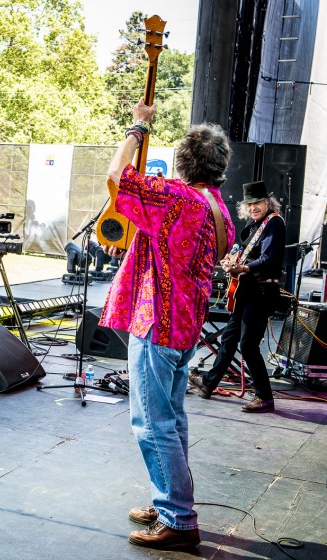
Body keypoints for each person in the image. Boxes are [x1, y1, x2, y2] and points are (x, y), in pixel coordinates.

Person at [100, 100, 235, 550]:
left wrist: (138, 128)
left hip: (157, 322)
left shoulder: (176, 198)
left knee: (152, 423)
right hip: (186, 326)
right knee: (172, 421)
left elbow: (117, 179)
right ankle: (170, 501)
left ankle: (178, 518)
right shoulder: (218, 208)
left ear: (183, 162)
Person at [188, 181, 285, 413]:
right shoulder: (255, 226)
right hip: (246, 292)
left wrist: (242, 269)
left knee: (249, 345)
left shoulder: (274, 223)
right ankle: (209, 384)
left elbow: (269, 258)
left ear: (267, 202)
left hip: (261, 293)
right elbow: (246, 253)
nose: (253, 208)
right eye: (249, 204)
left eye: (258, 203)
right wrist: (232, 262)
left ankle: (264, 397)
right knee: (229, 339)